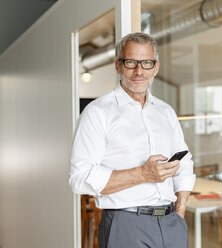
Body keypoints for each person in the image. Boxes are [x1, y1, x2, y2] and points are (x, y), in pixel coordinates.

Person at [69, 32, 195, 248]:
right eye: (131, 63)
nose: (139, 71)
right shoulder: (97, 112)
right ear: (118, 66)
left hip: (171, 223)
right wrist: (142, 174)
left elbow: (184, 163)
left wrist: (180, 212)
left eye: (146, 63)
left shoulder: (166, 112)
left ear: (155, 67)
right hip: (125, 225)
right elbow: (79, 178)